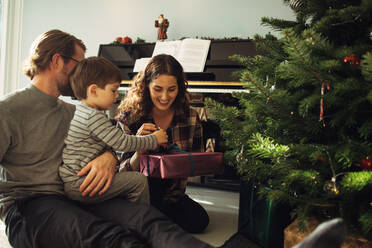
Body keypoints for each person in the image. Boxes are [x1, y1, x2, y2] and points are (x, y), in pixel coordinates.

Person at [0, 29, 213, 248]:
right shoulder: (7, 110)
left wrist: (109, 156)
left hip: (78, 193)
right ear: (57, 61)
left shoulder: (72, 112)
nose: (85, 72)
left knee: (148, 220)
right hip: (31, 204)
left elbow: (107, 142)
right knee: (110, 238)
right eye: (79, 63)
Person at [116, 54, 210, 234]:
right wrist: (140, 150)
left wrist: (181, 160)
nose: (165, 97)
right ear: (146, 87)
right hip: (135, 197)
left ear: (180, 88)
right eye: (158, 89)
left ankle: (150, 221)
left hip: (171, 197)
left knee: (199, 221)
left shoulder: (190, 117)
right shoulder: (129, 118)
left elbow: (195, 165)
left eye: (172, 89)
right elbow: (119, 176)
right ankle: (149, 221)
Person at [60, 56, 168, 205]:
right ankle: (142, 221)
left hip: (70, 180)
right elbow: (122, 142)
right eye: (113, 90)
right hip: (82, 184)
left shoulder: (78, 110)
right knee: (138, 181)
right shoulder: (93, 117)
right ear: (94, 90)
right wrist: (154, 139)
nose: (117, 96)